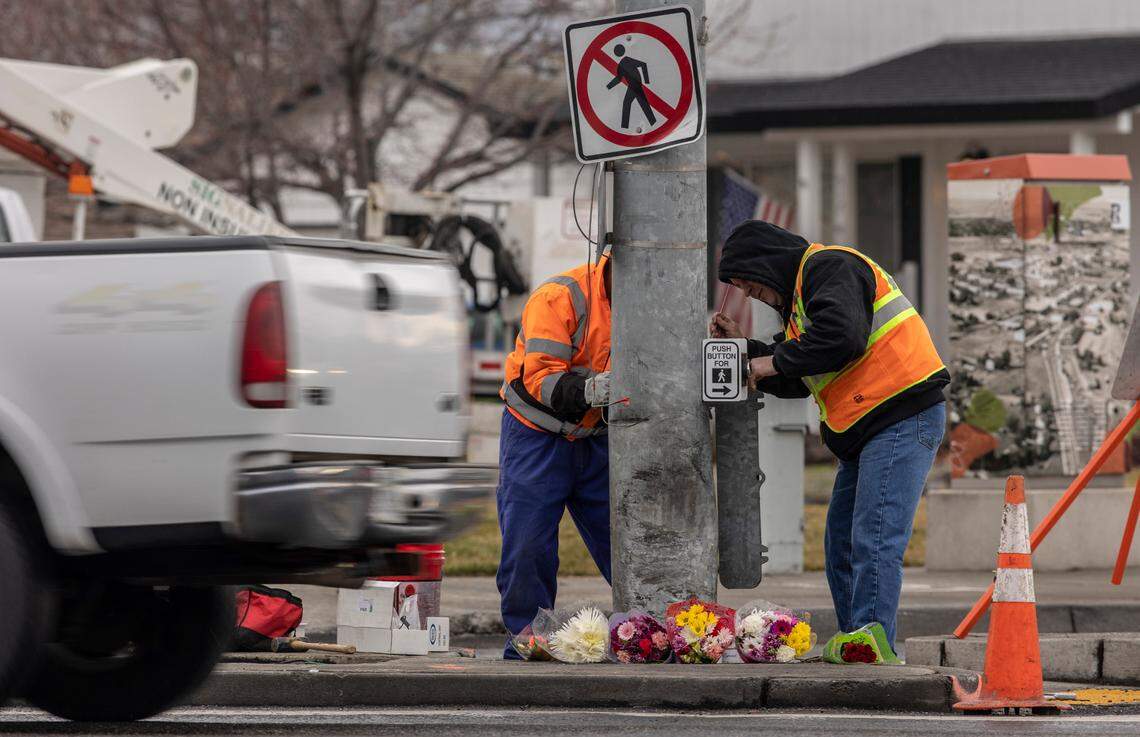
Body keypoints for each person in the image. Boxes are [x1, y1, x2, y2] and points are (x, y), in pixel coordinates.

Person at [711, 220, 949, 651]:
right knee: (841, 545)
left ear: (767, 265)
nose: (750, 295)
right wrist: (747, 350)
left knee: (872, 541)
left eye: (749, 284)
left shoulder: (829, 266)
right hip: (868, 426)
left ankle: (871, 649)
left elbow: (842, 339)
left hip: (900, 414)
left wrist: (769, 363)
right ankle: (856, 642)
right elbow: (802, 371)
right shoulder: (803, 299)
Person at [497, 255, 613, 659]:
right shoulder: (559, 297)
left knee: (629, 544)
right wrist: (600, 390)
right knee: (528, 546)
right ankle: (527, 642)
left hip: (597, 438)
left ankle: (654, 633)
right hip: (536, 436)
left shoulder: (652, 303)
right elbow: (542, 379)